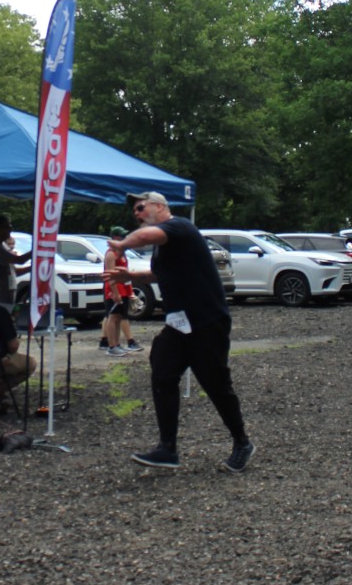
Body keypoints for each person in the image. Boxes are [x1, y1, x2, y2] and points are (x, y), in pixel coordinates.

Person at [109, 192, 253, 472]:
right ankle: (167, 449)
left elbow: (144, 236)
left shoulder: (180, 227)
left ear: (159, 206)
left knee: (216, 385)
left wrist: (122, 245)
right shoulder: (163, 244)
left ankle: (242, 442)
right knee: (162, 373)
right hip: (178, 324)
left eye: (141, 207)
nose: (136, 214)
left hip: (207, 321)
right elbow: (160, 274)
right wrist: (132, 277)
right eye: (134, 211)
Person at [102, 225, 144, 356]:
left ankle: (117, 344)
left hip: (123, 290)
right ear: (116, 238)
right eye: (122, 236)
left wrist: (130, 292)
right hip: (114, 291)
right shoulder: (111, 254)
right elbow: (110, 275)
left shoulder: (122, 253)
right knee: (113, 317)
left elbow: (125, 275)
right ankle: (111, 346)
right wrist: (115, 293)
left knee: (119, 317)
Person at [0, 215, 30, 310]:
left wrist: (31, 268)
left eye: (10, 226)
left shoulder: (2, 244)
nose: (10, 230)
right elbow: (20, 260)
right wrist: (36, 250)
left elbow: (14, 271)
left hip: (6, 299)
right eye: (6, 227)